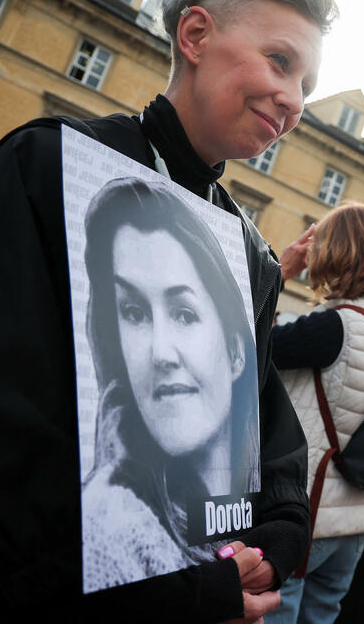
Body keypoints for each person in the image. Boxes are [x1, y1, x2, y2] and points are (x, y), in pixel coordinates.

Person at [0, 0, 337, 620]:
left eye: (307, 84)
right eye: (280, 61)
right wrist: (164, 591)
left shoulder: (249, 250)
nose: (294, 100)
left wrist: (278, 529)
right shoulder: (50, 164)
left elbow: (259, 413)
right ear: (196, 36)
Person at [80, 177, 261, 592]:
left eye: (183, 313)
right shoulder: (110, 527)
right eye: (134, 311)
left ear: (236, 352)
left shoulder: (249, 482)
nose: (160, 352)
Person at [268, 203, 364, 624]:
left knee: (277, 614)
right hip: (360, 515)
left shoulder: (333, 326)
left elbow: (242, 340)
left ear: (333, 253)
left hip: (307, 513)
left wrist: (278, 272)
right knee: (322, 615)